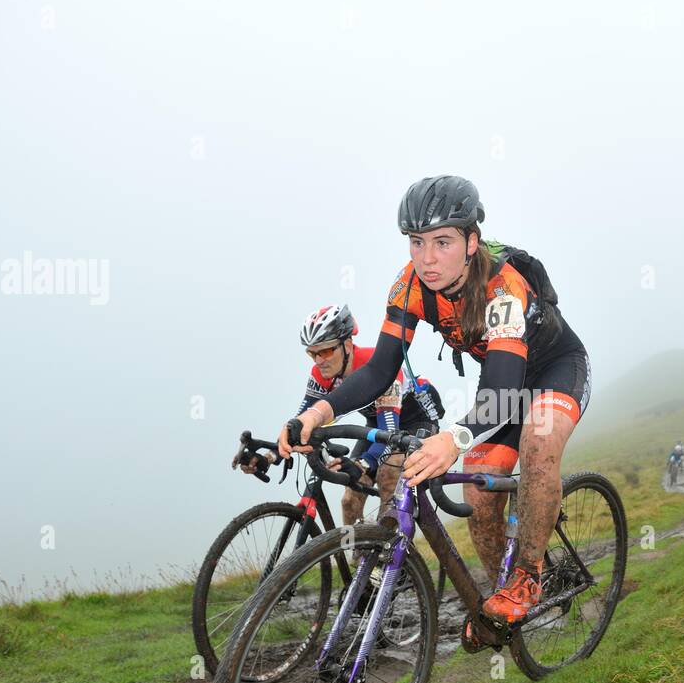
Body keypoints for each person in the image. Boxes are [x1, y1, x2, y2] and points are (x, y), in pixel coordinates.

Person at [278, 175, 591, 630]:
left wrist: (455, 437)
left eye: (442, 242)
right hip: (502, 381)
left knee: (539, 444)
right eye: (416, 242)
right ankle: (501, 598)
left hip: (551, 372)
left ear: (471, 242)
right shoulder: (410, 285)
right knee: (479, 493)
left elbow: (504, 391)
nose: (427, 258)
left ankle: (527, 577)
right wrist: (316, 413)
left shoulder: (502, 288)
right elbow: (379, 369)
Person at [242, 304, 442, 525]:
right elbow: (302, 425)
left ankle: (394, 551)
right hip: (378, 424)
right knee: (350, 499)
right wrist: (269, 457)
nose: (319, 361)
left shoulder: (378, 367)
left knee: (388, 475)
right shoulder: (321, 374)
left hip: (417, 420)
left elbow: (390, 432)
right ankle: (362, 556)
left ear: (347, 344)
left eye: (326, 351)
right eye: (312, 353)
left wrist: (365, 464)